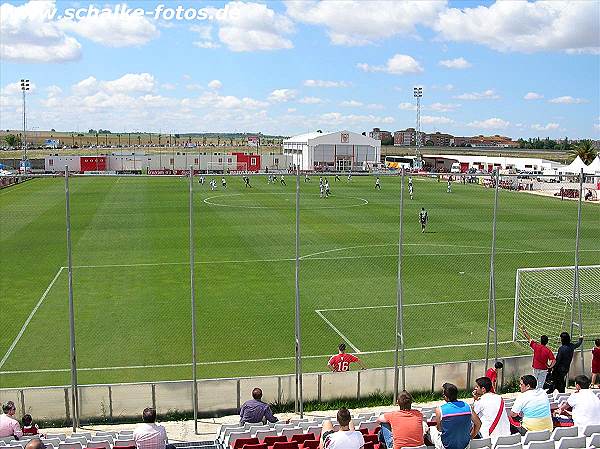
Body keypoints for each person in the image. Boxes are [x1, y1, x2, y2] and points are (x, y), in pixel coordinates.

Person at [429, 383, 481, 449]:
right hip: (465, 446)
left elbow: (439, 429)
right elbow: (478, 423)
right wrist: (471, 436)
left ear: (446, 397)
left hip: (446, 446)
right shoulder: (468, 407)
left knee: (432, 429)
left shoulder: (440, 410)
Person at [472, 377, 510, 444]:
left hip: (489, 437)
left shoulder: (480, 401)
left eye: (477, 387)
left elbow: (473, 414)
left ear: (483, 389)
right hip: (506, 434)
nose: (475, 388)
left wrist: (475, 400)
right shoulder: (499, 398)